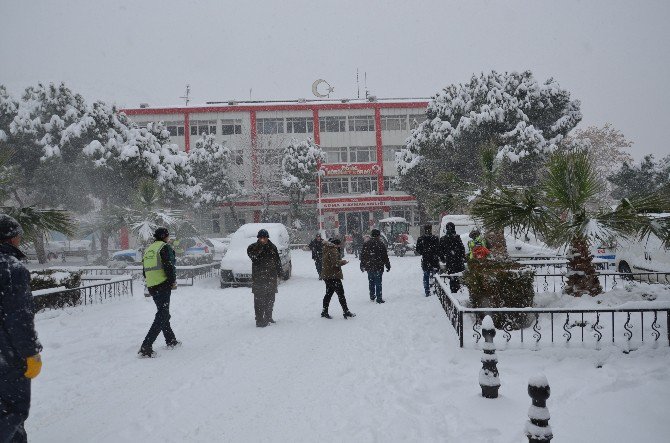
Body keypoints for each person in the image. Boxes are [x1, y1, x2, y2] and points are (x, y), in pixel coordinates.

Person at [0, 215, 42, 442]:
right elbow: (19, 318)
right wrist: (30, 352)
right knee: (12, 413)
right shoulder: (11, 269)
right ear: (12, 238)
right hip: (7, 357)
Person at [138, 227, 180, 357]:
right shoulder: (164, 247)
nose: (169, 238)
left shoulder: (149, 249)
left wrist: (151, 282)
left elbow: (144, 270)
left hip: (152, 285)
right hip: (163, 284)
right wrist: (172, 281)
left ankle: (171, 340)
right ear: (164, 236)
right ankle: (146, 346)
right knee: (162, 314)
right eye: (168, 236)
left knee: (163, 313)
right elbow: (169, 265)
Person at [247, 229, 282, 327]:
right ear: (258, 238)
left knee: (270, 299)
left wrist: (280, 272)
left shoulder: (272, 247)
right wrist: (260, 246)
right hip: (259, 279)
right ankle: (259, 320)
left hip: (271, 278)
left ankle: (268, 317)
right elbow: (253, 256)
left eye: (265, 237)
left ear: (267, 238)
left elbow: (277, 261)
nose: (263, 239)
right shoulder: (252, 247)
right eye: (261, 238)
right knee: (259, 301)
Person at [320, 238, 356, 319]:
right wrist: (343, 262)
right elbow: (335, 263)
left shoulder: (327, 248)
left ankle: (324, 311)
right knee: (341, 294)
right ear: (336, 244)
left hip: (327, 275)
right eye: (339, 244)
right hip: (333, 276)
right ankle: (346, 311)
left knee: (328, 294)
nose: (340, 246)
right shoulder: (333, 250)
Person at [360, 229, 391, 303]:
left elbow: (363, 255)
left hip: (369, 266)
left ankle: (372, 296)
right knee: (378, 283)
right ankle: (379, 298)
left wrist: (362, 264)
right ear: (378, 235)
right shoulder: (381, 244)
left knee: (371, 282)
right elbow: (385, 256)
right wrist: (387, 265)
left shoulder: (366, 244)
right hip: (378, 266)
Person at [439, 222, 466, 293]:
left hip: (449, 260)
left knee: (452, 276)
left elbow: (440, 250)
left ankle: (453, 289)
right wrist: (462, 256)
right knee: (457, 275)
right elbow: (462, 248)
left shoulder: (443, 239)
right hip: (458, 260)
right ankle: (457, 288)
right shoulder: (457, 237)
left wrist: (443, 258)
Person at [415, 224, 441, 297]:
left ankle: (427, 291)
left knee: (426, 275)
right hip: (434, 260)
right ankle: (435, 289)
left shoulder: (421, 239)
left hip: (426, 259)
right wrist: (435, 254)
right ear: (431, 229)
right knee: (435, 275)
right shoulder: (435, 238)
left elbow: (418, 250)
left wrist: (424, 252)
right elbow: (438, 249)